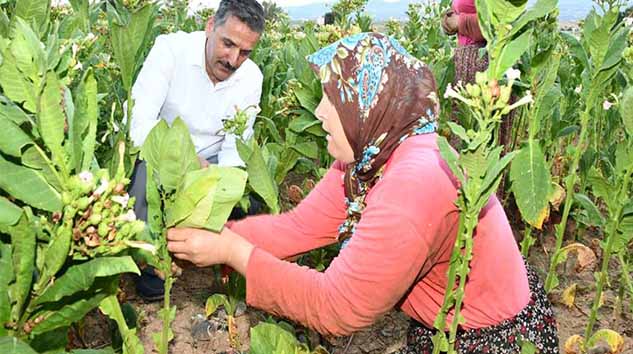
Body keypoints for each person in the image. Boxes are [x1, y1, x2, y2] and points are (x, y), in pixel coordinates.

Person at [166, 33, 559, 353]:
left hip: (488, 337)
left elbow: (337, 308)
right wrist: (209, 240)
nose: (319, 112)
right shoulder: (373, 158)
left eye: (332, 99)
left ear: (367, 106)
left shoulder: (411, 187)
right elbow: (296, 228)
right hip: (440, 320)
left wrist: (234, 253)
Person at [128, 0, 265, 301]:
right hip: (161, 152)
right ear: (209, 27)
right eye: (227, 44)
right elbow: (139, 125)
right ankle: (151, 264)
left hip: (212, 163)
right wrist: (188, 161)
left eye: (245, 52)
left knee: (248, 200)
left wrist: (218, 183)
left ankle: (200, 253)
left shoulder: (251, 77)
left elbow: (234, 150)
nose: (233, 59)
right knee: (142, 179)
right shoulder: (170, 51)